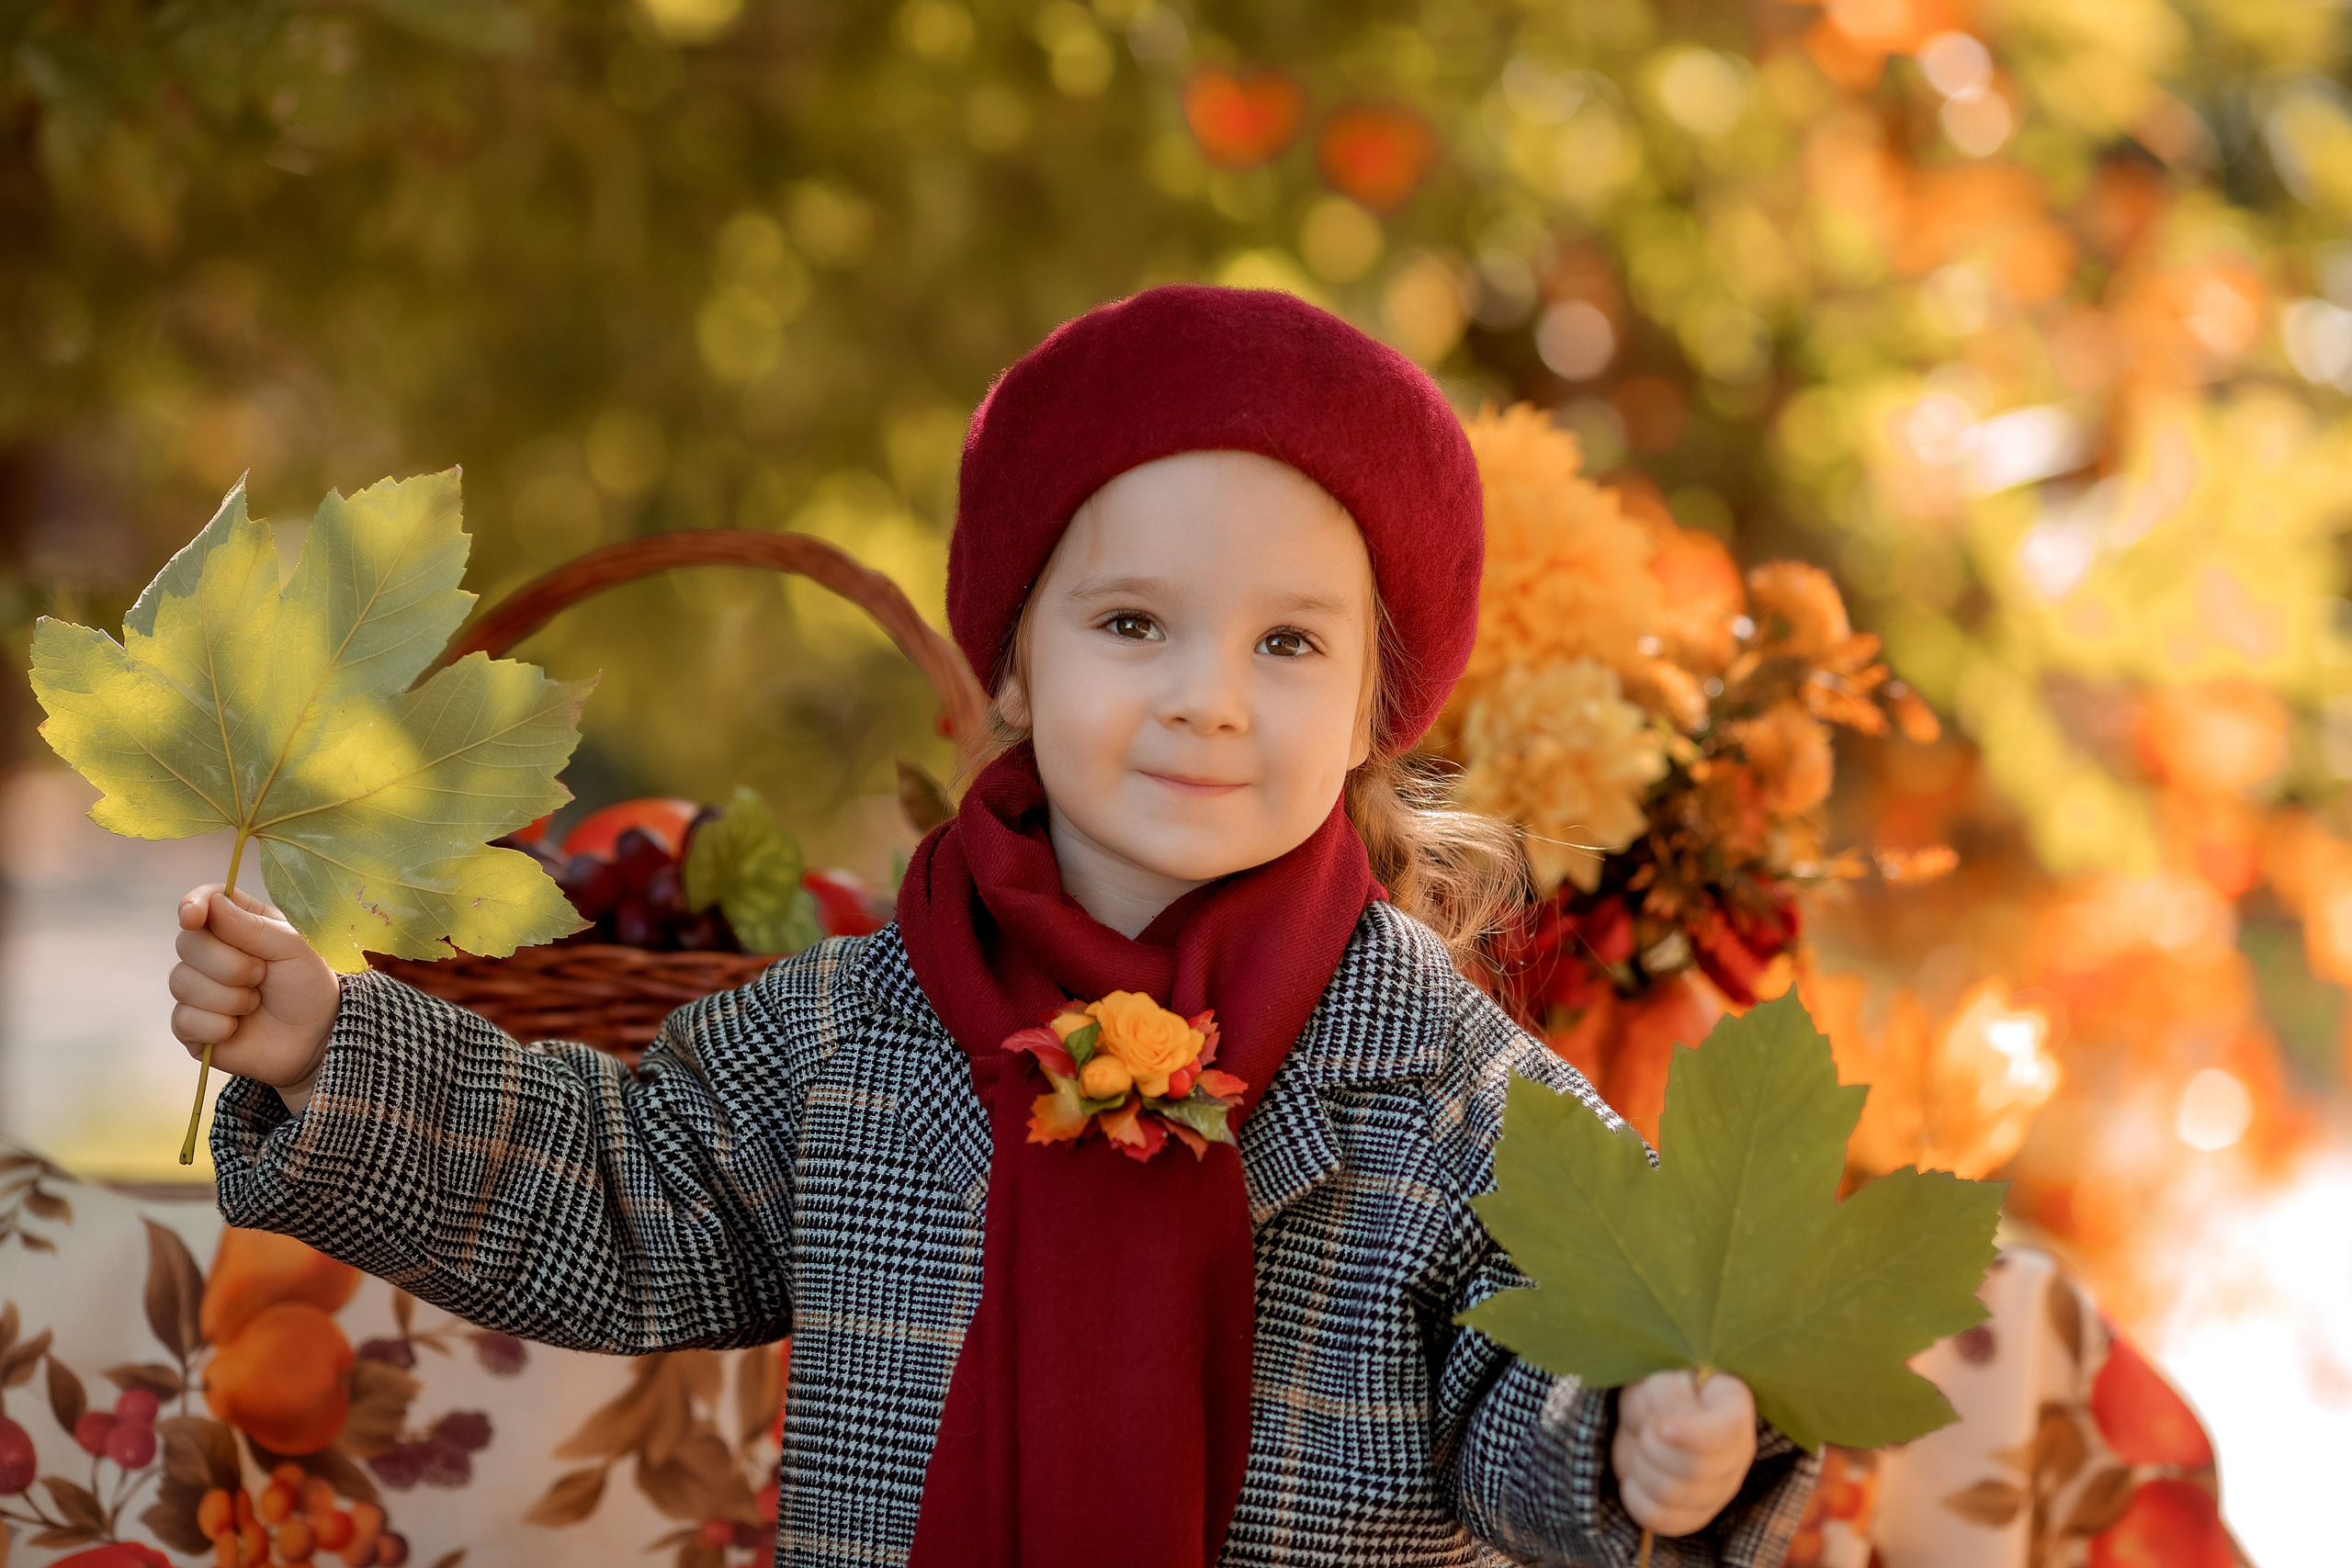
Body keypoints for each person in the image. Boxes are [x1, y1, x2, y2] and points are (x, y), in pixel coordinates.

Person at [169, 285, 1815, 1567]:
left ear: (1378, 705)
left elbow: (1560, 1335)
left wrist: (1643, 1435)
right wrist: (331, 1049)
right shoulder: (853, 1030)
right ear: (1017, 662)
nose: (1208, 699)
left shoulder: (1444, 1086)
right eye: (1133, 623)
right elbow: (621, 1196)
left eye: (1288, 645)